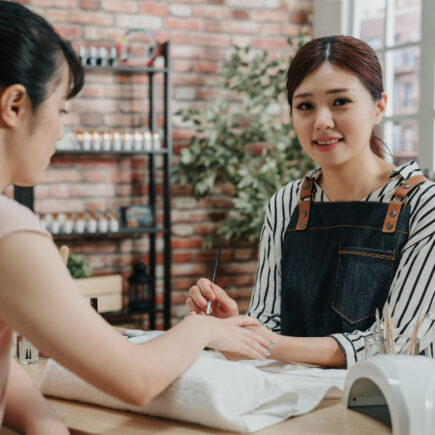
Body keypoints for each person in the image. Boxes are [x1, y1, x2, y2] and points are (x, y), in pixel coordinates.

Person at [0, 2, 273, 433]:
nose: (61, 130)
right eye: (61, 110)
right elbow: (137, 378)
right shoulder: (11, 233)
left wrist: (42, 419)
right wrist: (202, 330)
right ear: (15, 106)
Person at [187, 35, 435, 369]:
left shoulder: (423, 205)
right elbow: (269, 323)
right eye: (305, 106)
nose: (321, 121)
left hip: (389, 407)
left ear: (379, 107)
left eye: (340, 102)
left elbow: (398, 342)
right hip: (299, 403)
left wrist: (262, 341)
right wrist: (236, 326)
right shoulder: (286, 203)